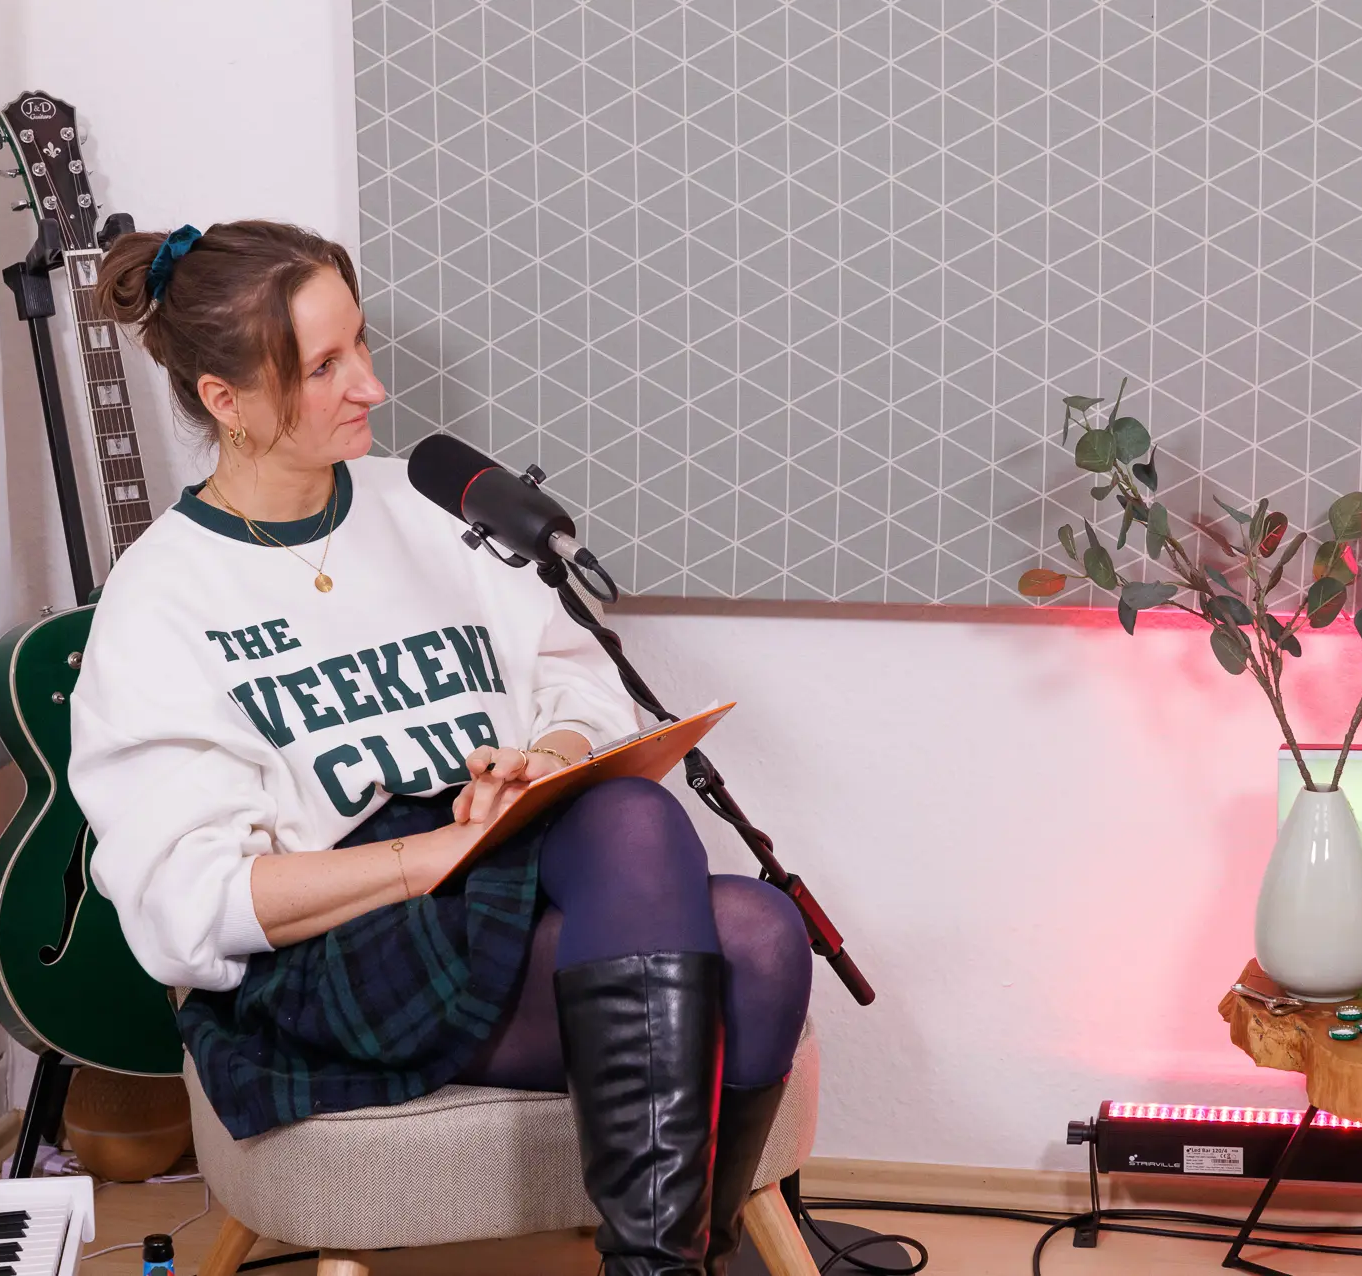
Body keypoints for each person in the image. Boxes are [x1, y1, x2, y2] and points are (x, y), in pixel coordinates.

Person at [65, 220, 813, 1276]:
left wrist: (549, 754)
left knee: (701, 873)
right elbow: (188, 906)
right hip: (342, 939)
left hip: (504, 875)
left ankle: (657, 1265)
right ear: (223, 400)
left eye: (358, 345)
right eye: (322, 368)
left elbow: (571, 673)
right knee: (747, 945)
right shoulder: (160, 603)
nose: (369, 386)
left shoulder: (419, 503)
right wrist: (420, 859)